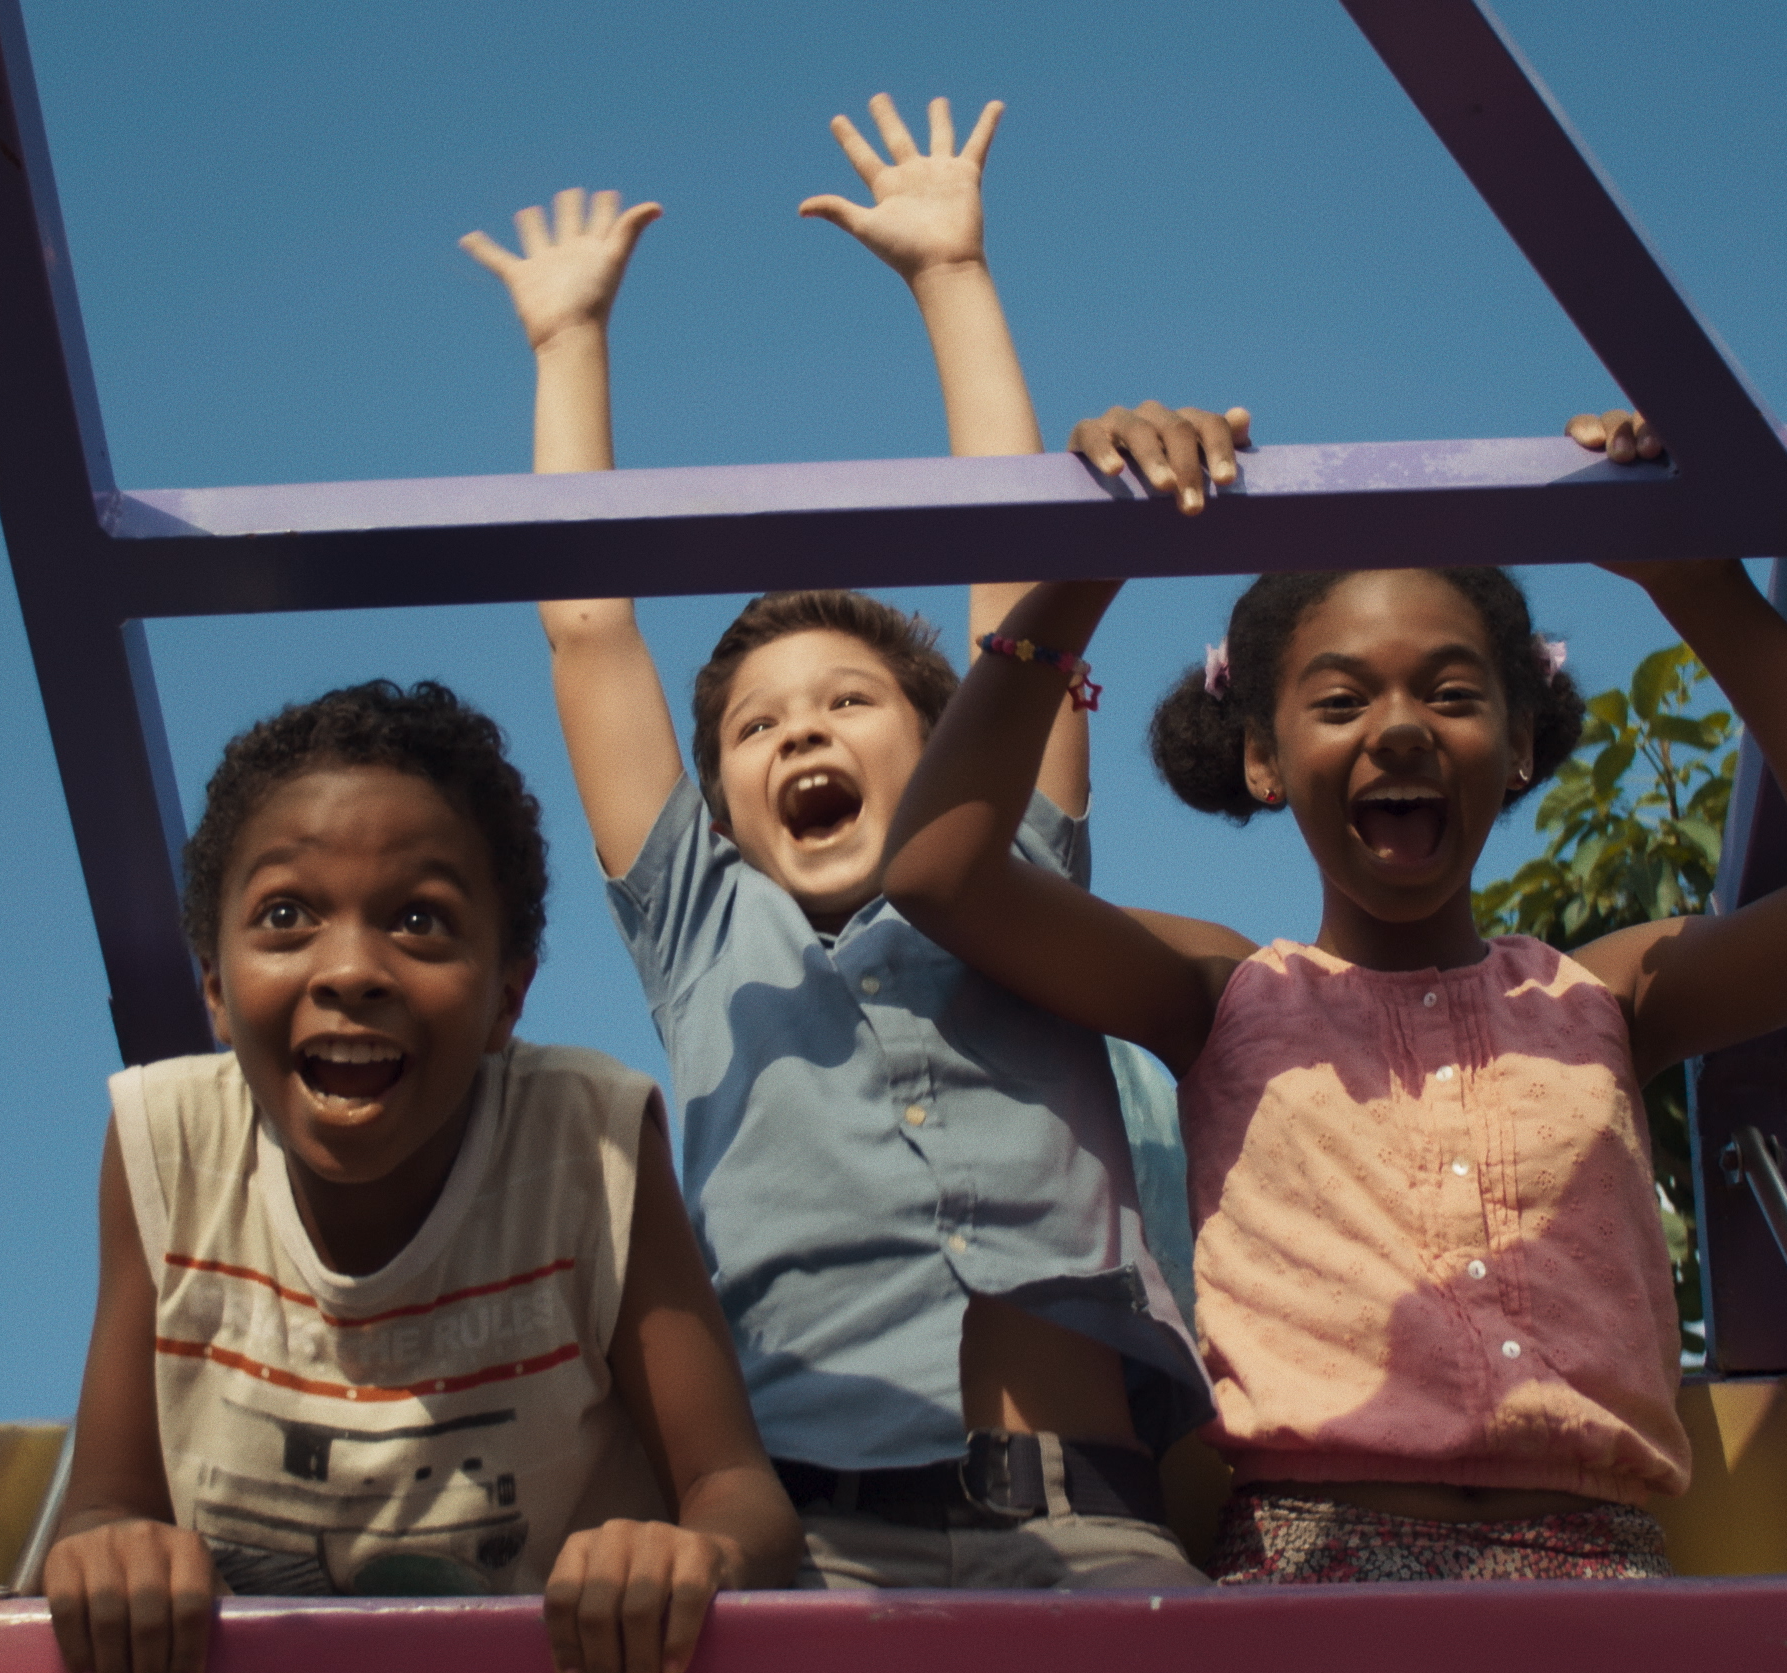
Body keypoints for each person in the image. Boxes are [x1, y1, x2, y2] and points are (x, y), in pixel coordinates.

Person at [880, 405, 1787, 1583]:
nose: (1398, 728)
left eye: (1451, 695)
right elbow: (943, 874)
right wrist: (1082, 578)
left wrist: (1699, 586)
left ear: (1519, 748)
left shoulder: (1599, 997)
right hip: (1313, 1574)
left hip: (1603, 1583)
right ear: (1261, 755)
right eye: (1340, 702)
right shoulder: (1223, 995)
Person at [463, 96, 1228, 1591]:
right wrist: (567, 347)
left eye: (848, 702)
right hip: (811, 1548)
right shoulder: (700, 927)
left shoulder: (1012, 867)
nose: (797, 737)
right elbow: (585, 624)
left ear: (947, 743)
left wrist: (952, 274)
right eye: (753, 730)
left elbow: (1018, 598)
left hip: (1086, 1534)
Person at [38, 682, 800, 1673]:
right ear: (214, 985)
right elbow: (104, 1509)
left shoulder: (584, 1141)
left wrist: (689, 1554)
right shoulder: (168, 1145)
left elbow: (738, 1491)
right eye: (285, 915)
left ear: (507, 998)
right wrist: (116, 1557)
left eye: (418, 921)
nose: (350, 969)